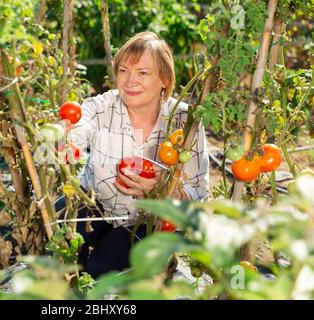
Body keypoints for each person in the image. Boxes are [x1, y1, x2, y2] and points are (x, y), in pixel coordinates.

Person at [54, 31, 209, 279]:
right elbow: (81, 122)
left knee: (97, 270)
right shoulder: (103, 107)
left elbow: (199, 191)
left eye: (143, 73)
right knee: (55, 234)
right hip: (98, 205)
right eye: (123, 71)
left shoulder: (185, 122)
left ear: (165, 80)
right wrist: (66, 136)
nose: (129, 81)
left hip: (146, 221)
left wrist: (165, 189)